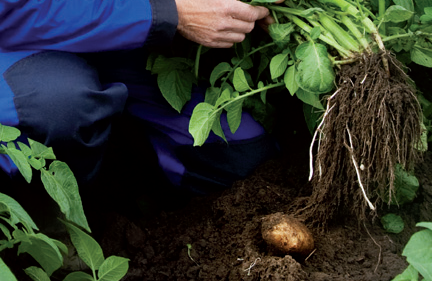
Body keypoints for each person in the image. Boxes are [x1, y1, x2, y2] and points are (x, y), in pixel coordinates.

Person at [0, 0, 280, 194]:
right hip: (16, 41)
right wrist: (170, 14)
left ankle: (125, 176)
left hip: (117, 32)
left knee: (242, 157)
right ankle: (53, 225)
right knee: (59, 107)